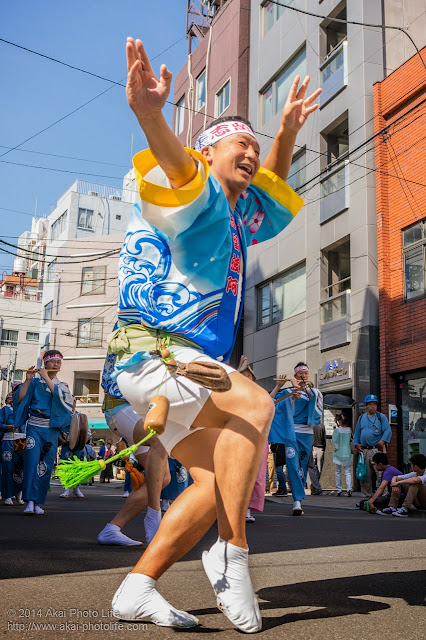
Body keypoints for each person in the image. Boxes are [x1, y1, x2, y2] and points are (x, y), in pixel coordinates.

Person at [111, 37, 320, 633]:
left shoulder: (234, 217)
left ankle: (137, 587)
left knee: (211, 482)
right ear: (209, 154)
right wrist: (151, 115)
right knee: (255, 403)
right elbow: (179, 167)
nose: (251, 153)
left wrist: (285, 133)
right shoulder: (199, 198)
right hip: (156, 353)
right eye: (240, 144)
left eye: (253, 147)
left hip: (179, 361)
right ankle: (234, 556)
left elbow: (270, 188)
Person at [98, 352, 170, 545]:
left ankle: (112, 529)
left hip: (140, 409)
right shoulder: (129, 331)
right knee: (159, 443)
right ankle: (154, 517)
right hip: (121, 407)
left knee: (163, 478)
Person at [13, 350, 73, 515]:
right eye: (52, 361)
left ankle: (39, 501)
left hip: (51, 429)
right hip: (34, 426)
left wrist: (46, 377)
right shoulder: (35, 383)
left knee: (45, 466)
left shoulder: (62, 385)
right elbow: (20, 399)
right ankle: (29, 501)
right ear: (45, 363)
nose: (55, 364)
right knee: (31, 463)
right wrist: (27, 381)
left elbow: (65, 402)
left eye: (58, 362)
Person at [269, 380, 305, 515]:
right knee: (293, 467)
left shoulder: (311, 392)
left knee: (302, 468)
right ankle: (297, 501)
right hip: (289, 433)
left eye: (306, 373)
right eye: (300, 375)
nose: (303, 376)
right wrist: (282, 389)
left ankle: (299, 499)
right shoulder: (286, 393)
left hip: (305, 434)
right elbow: (270, 403)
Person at [353, 394, 392, 497]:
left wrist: (382, 441)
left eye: (374, 404)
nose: (372, 407)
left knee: (380, 474)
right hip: (365, 450)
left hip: (377, 450)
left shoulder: (381, 417)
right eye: (370, 404)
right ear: (366, 406)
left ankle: (383, 495)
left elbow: (387, 431)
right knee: (365, 475)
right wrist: (356, 444)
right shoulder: (361, 418)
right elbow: (356, 434)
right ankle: (367, 496)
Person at [0, 392, 25, 505]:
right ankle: (7, 495)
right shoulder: (6, 409)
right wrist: (7, 426)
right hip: (9, 439)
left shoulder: (25, 409)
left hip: (22, 440)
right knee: (8, 467)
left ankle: (18, 494)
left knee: (20, 467)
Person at [332, 412, 353, 497]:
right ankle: (349, 489)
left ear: (339, 421)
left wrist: (336, 448)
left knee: (338, 471)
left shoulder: (337, 430)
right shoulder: (349, 430)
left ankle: (339, 489)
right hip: (347, 452)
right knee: (347, 471)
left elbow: (334, 441)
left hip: (338, 453)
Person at [308, 422, 326, 495]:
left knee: (312, 468)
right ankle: (316, 487)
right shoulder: (321, 426)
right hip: (320, 448)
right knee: (318, 469)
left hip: (311, 448)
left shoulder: (310, 425)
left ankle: (315, 486)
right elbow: (324, 439)